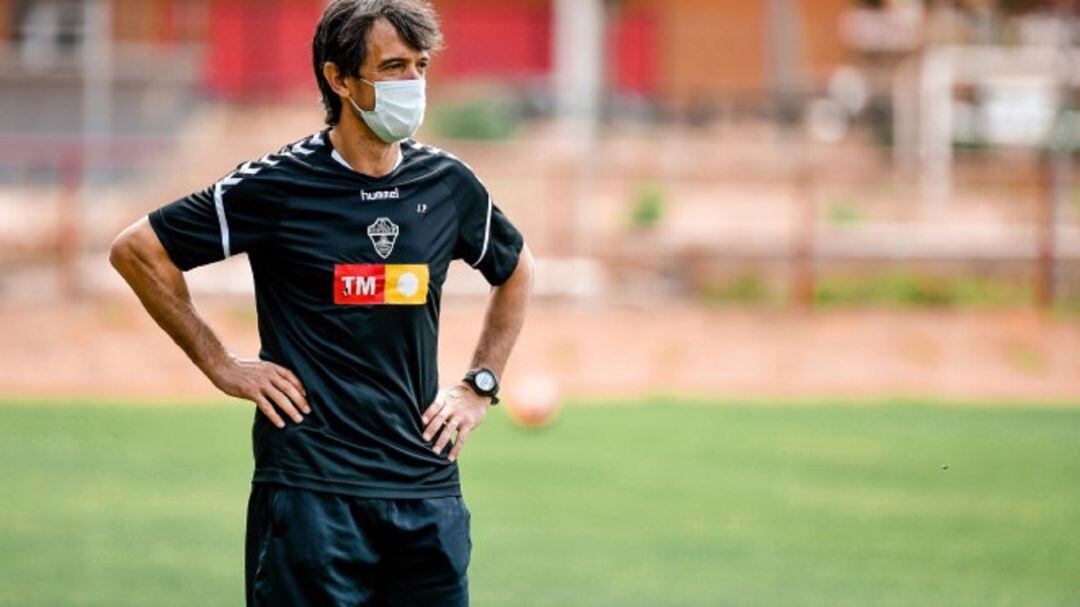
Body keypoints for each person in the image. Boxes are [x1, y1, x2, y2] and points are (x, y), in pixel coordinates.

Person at [108, 1, 534, 604]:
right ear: (339, 78)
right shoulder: (278, 185)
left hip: (426, 489)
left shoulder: (446, 185)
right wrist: (221, 362)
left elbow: (516, 269)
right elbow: (139, 251)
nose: (412, 84)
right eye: (392, 67)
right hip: (312, 493)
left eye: (420, 66)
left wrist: (479, 385)